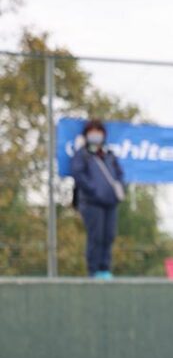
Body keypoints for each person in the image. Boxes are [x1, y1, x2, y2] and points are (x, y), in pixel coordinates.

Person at [70, 119, 125, 279]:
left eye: (98, 131)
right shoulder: (83, 154)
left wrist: (118, 189)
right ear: (86, 134)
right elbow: (78, 174)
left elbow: (120, 174)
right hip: (91, 202)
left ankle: (105, 269)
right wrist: (94, 191)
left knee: (109, 236)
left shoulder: (109, 155)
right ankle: (93, 271)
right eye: (92, 131)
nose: (96, 135)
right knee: (96, 237)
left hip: (110, 202)